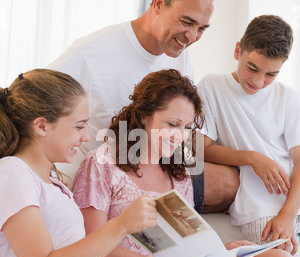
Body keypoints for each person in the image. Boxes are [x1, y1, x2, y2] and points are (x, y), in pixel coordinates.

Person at [0, 68, 247, 257]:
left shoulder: (53, 184)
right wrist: (121, 224)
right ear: (42, 126)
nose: (86, 137)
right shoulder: (13, 171)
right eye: (78, 127)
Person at [72, 69, 300, 257]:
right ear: (143, 116)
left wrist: (220, 252)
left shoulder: (179, 173)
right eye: (172, 124)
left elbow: (188, 243)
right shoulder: (102, 164)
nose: (180, 136)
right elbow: (94, 248)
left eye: (188, 127)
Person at [48, 0, 239, 214]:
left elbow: (182, 124)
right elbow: (34, 100)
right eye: (187, 22)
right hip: (113, 170)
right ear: (157, 4)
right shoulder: (91, 53)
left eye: (202, 28)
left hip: (159, 165)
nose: (193, 37)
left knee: (232, 181)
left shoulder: (181, 58)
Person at [198, 15, 300, 257]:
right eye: (252, 68)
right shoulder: (212, 86)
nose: (258, 81)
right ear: (237, 50)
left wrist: (288, 214)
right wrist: (252, 158)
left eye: (271, 74)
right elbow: (202, 149)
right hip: (262, 207)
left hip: (290, 204)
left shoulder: (287, 97)